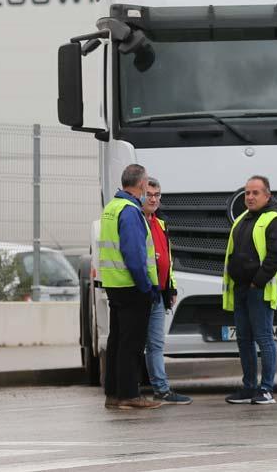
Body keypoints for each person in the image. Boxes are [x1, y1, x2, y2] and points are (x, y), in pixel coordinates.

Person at [223, 175, 277, 406]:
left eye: (255, 193)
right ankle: (249, 387)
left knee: (263, 338)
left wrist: (257, 282)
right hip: (241, 289)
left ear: (267, 195)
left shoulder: (275, 219)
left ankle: (266, 389)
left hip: (259, 290)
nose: (250, 197)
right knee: (243, 339)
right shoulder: (242, 219)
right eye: (247, 193)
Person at [100, 164, 162, 410]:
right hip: (131, 285)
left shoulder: (112, 207)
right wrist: (145, 285)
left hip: (114, 284)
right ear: (140, 185)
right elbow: (134, 253)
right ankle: (129, 394)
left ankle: (113, 393)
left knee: (117, 341)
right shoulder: (130, 210)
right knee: (131, 343)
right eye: (147, 184)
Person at [141, 178, 191, 405]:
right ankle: (131, 388)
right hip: (141, 292)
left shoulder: (160, 223)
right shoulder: (137, 221)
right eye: (149, 194)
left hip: (158, 293)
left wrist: (169, 288)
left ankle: (161, 389)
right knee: (135, 344)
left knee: (156, 344)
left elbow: (167, 262)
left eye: (157, 195)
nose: (153, 199)